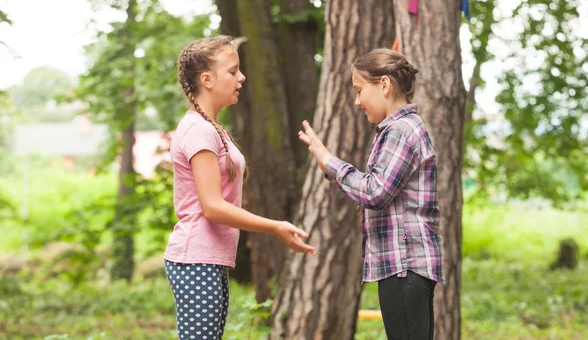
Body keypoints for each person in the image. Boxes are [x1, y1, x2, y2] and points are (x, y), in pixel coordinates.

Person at [165, 35, 316, 340]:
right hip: (195, 258)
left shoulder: (211, 127)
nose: (241, 77)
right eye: (233, 71)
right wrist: (275, 227)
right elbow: (213, 206)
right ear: (207, 80)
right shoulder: (198, 131)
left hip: (209, 259)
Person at [298, 48, 444, 340]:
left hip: (405, 266)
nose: (356, 100)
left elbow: (376, 192)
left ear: (385, 85)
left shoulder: (400, 130)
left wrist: (329, 160)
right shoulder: (401, 128)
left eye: (359, 90)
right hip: (405, 267)